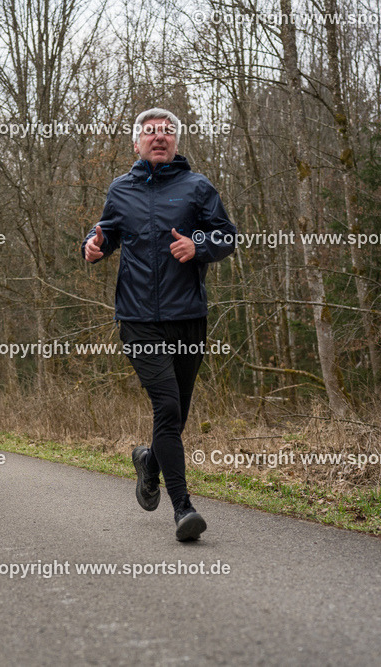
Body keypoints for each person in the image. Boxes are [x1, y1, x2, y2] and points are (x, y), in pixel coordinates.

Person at [82, 107, 236, 542]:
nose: (159, 137)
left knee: (178, 415)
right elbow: (104, 233)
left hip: (188, 317)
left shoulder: (198, 187)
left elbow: (227, 234)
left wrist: (199, 244)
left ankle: (150, 461)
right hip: (138, 320)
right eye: (150, 132)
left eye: (167, 131)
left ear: (176, 141)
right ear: (137, 143)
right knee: (166, 407)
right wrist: (91, 247)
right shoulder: (121, 189)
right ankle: (183, 510)